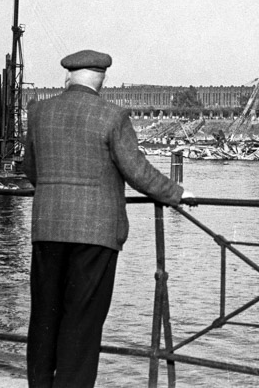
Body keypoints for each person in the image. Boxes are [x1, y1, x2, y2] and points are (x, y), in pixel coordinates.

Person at [23, 49, 195, 388]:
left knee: (44, 317)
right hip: (95, 233)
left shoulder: (40, 111)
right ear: (102, 79)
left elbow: (32, 169)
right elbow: (137, 172)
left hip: (48, 227)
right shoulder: (112, 116)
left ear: (68, 76)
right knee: (82, 321)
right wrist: (176, 193)